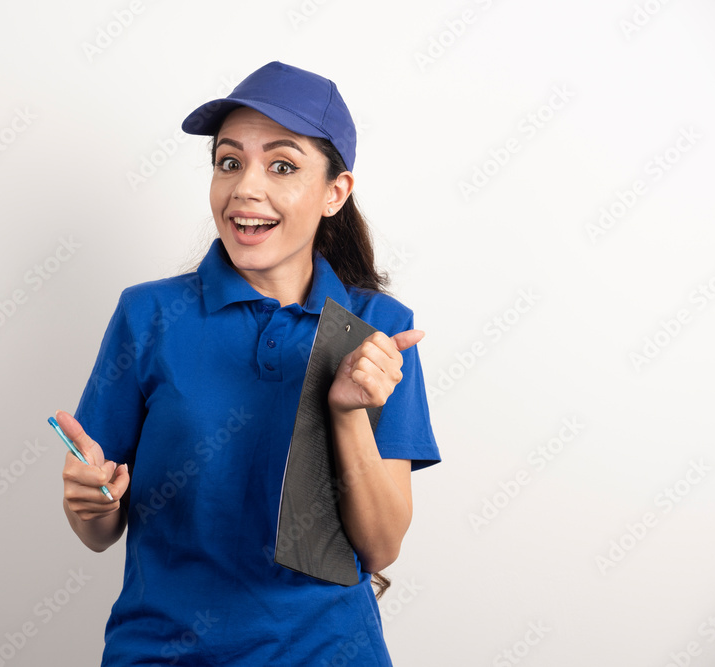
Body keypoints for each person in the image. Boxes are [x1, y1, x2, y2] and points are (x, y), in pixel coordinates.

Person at [57, 61, 441, 666]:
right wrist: (92, 504)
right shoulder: (148, 315)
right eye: (229, 162)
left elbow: (381, 546)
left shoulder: (379, 331)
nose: (244, 188)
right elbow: (101, 527)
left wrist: (344, 413)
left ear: (335, 193)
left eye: (282, 166)